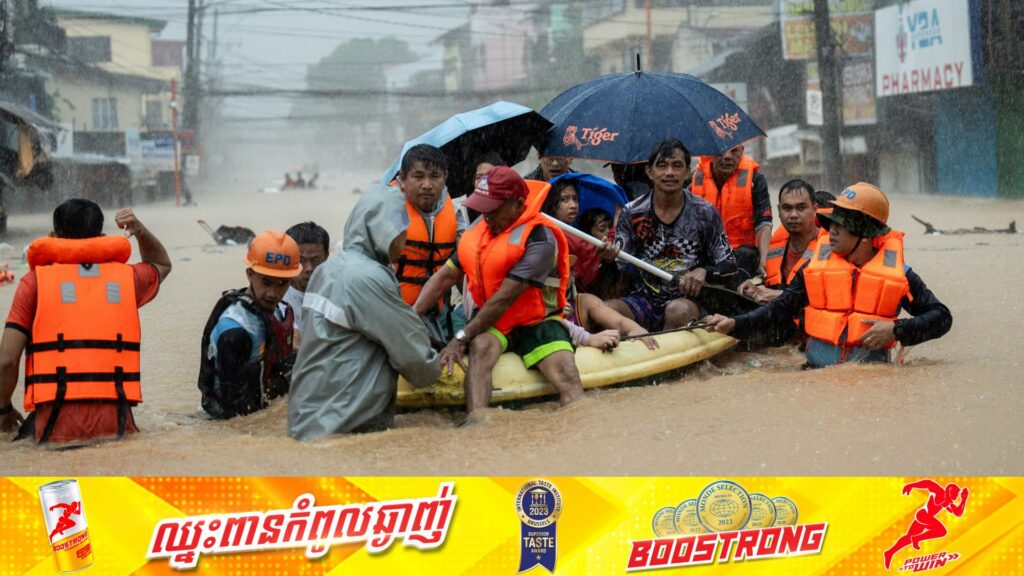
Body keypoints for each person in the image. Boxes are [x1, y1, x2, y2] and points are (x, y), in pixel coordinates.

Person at [704, 183, 953, 367]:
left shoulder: (900, 275)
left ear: (864, 233)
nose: (829, 232)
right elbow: (779, 311)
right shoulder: (813, 270)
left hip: (871, 382)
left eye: (839, 226)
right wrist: (734, 324)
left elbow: (942, 318)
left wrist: (896, 330)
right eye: (830, 224)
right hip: (813, 374)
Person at [413, 167, 584, 415]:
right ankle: (477, 423)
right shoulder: (477, 233)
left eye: (493, 209)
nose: (486, 216)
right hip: (495, 322)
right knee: (481, 347)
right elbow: (445, 277)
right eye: (482, 208)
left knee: (566, 370)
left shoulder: (540, 239)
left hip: (537, 320)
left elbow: (504, 298)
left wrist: (460, 339)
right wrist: (412, 314)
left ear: (518, 204)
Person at [0, 199, 171, 443]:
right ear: (101, 236)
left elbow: (6, 361)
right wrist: (139, 230)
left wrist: (3, 409)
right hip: (118, 421)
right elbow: (162, 263)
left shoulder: (34, 283)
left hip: (53, 424)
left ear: (52, 236)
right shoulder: (127, 279)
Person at [288, 190, 440, 440]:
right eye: (402, 230)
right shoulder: (365, 278)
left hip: (308, 417)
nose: (406, 238)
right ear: (384, 231)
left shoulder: (330, 270)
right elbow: (415, 358)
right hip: (341, 424)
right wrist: (437, 367)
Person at [605, 139, 738, 331]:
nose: (669, 172)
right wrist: (608, 259)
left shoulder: (705, 212)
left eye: (677, 166)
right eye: (662, 165)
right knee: (608, 310)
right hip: (644, 301)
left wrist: (705, 272)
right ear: (649, 172)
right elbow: (620, 266)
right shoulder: (631, 212)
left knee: (676, 311)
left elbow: (730, 265)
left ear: (686, 173)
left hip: (688, 302)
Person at [539, 179, 654, 349]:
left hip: (576, 302)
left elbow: (620, 322)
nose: (572, 205)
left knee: (595, 304)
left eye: (575, 199)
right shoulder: (547, 233)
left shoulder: (584, 301)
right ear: (551, 205)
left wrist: (634, 329)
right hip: (544, 314)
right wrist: (548, 310)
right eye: (564, 200)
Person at [198, 231, 299, 419]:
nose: (273, 293)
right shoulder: (235, 331)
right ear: (250, 274)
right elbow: (233, 411)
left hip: (260, 411)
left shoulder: (280, 311)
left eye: (282, 284)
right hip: (223, 425)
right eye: (266, 282)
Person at [394, 145, 465, 309]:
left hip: (437, 312)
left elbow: (462, 264)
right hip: (394, 311)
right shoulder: (387, 209)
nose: (427, 185)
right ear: (402, 178)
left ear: (445, 177)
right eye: (418, 176)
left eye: (434, 176)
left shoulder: (454, 212)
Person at [689, 144, 772, 281]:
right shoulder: (691, 183)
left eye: (734, 151)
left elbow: (764, 224)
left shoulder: (755, 180)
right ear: (709, 152)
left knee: (747, 254)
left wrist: (763, 260)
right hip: (706, 255)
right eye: (720, 151)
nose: (727, 157)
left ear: (742, 151)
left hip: (740, 257)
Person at [738, 179, 822, 304]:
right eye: (787, 208)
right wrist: (756, 287)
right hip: (777, 316)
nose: (793, 215)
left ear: (815, 209)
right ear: (778, 211)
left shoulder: (830, 247)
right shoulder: (776, 246)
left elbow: (828, 296)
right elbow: (772, 287)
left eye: (801, 207)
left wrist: (779, 295)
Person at [283, 221, 330, 348]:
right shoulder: (276, 295)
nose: (309, 268)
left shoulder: (339, 291)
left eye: (316, 260)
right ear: (288, 258)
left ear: (327, 256)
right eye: (301, 261)